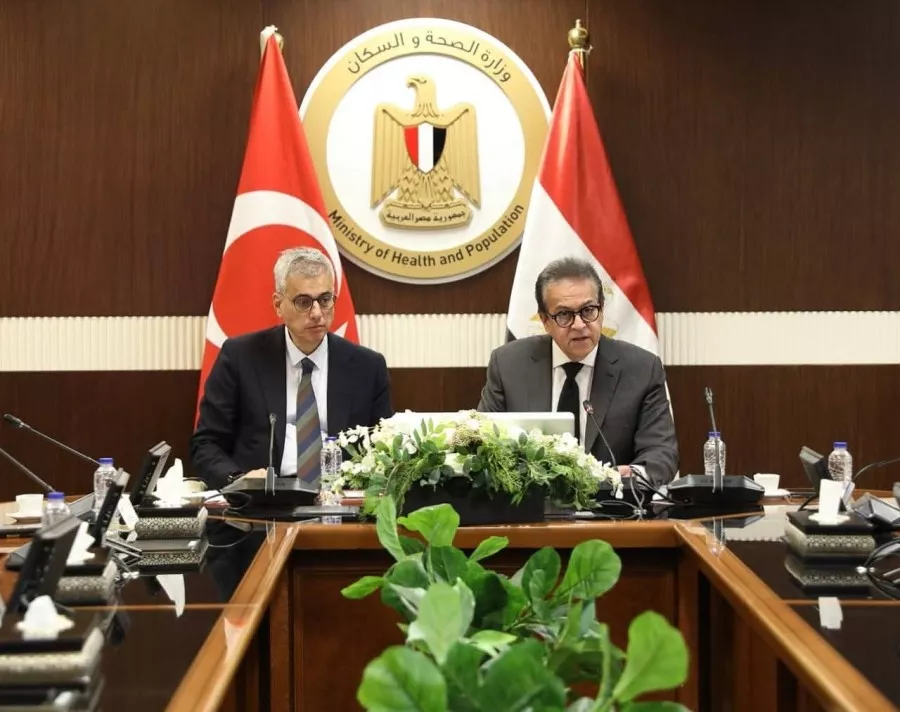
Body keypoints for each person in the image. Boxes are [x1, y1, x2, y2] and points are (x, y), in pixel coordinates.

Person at [191, 247, 393, 489]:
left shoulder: (367, 367)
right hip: (263, 500)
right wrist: (238, 481)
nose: (317, 313)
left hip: (339, 497)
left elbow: (385, 448)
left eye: (325, 300)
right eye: (303, 302)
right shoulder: (240, 357)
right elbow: (206, 443)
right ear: (278, 304)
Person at [478, 257, 678, 485]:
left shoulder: (642, 369)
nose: (579, 325)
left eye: (588, 310)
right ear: (544, 320)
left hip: (611, 502)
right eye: (564, 314)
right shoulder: (509, 365)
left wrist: (631, 475)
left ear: (602, 309)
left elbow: (661, 454)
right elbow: (483, 443)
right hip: (530, 502)